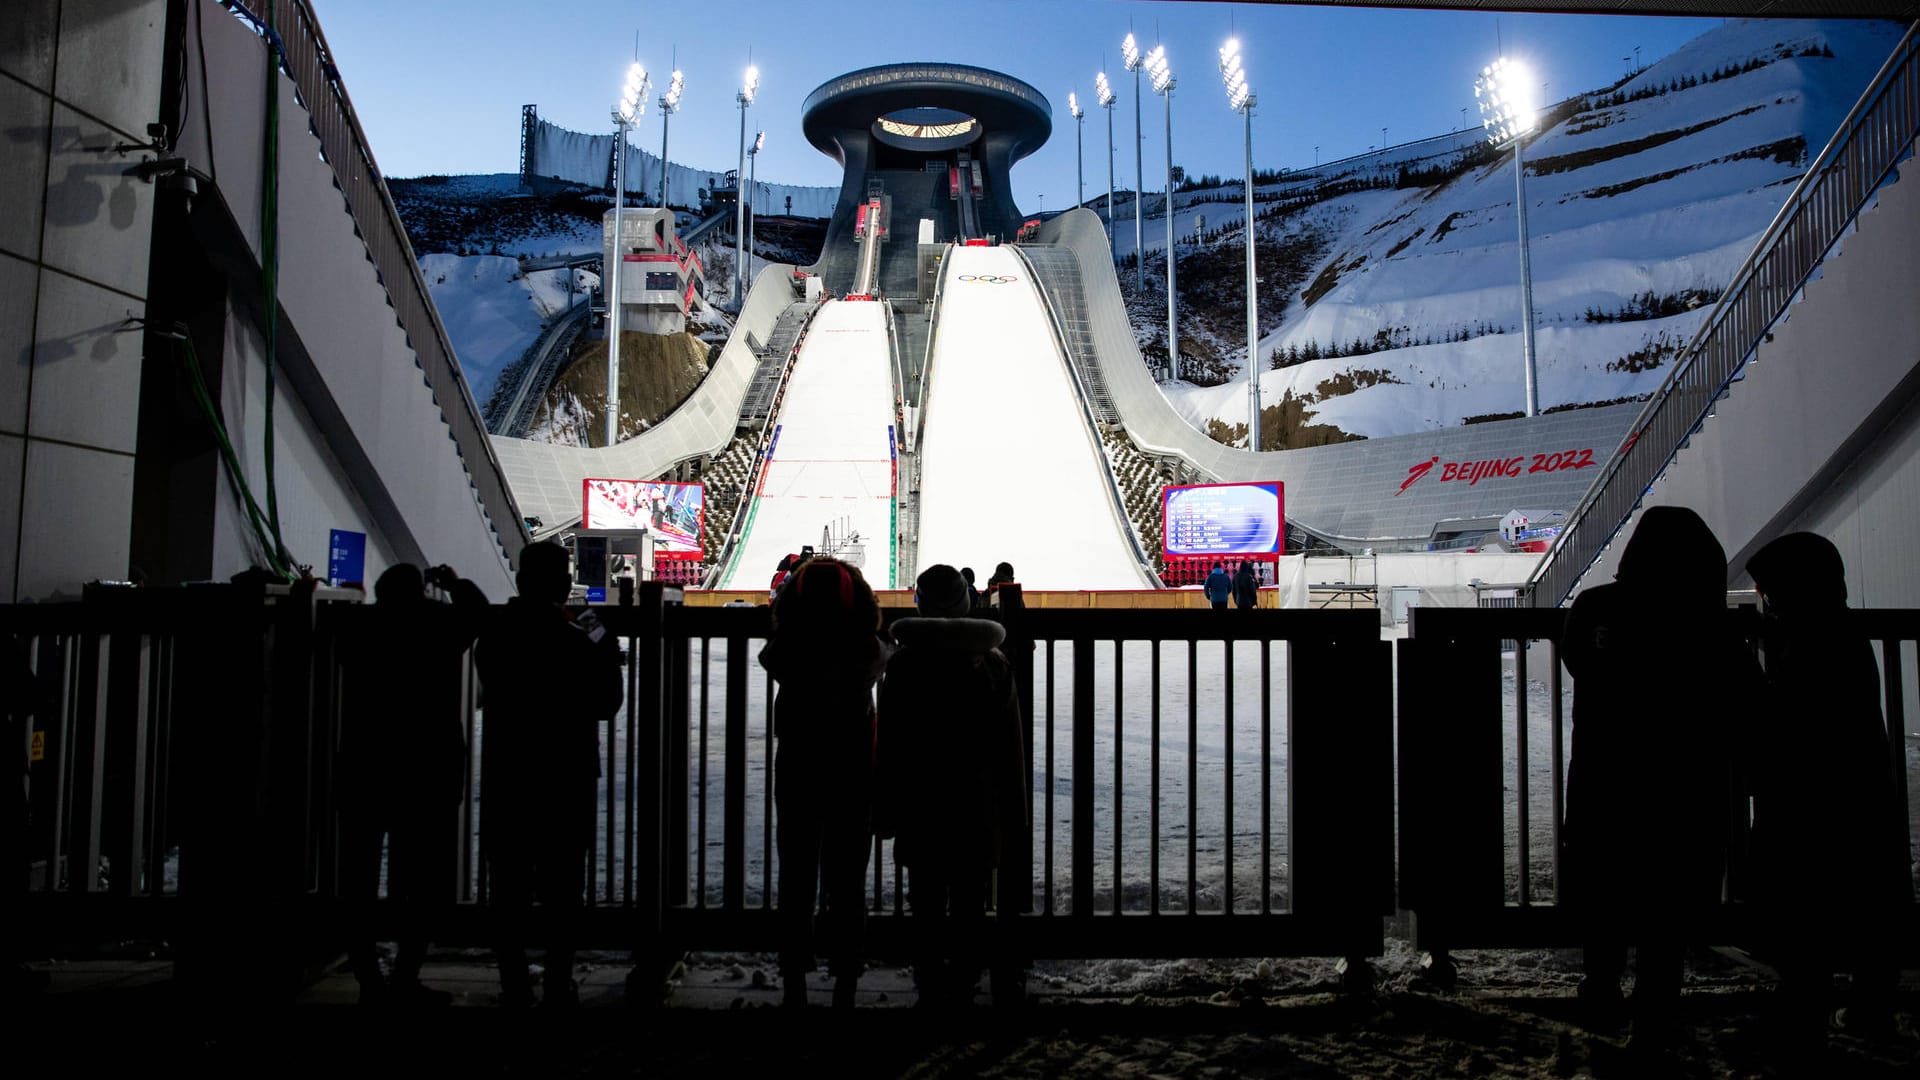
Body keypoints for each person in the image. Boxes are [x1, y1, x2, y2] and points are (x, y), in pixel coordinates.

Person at [1559, 506, 1754, 1050]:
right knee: (1669, 906)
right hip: (1686, 791)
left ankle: (1600, 988)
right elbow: (1745, 698)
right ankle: (1656, 1008)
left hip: (1605, 782)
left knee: (1604, 891)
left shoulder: (1597, 606)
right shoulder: (1709, 623)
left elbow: (1579, 661)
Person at [1744, 532, 1906, 1044]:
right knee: (1865, 901)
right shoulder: (1841, 635)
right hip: (1859, 796)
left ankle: (1806, 1005)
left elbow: (1784, 718)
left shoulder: (1808, 644)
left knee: (1806, 901)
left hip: (1807, 804)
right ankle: (1868, 1005)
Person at [475, 541, 622, 1007]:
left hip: (509, 768)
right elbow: (608, 702)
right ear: (562, 582)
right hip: (568, 768)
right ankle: (560, 976)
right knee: (563, 881)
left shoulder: (497, 631)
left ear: (520, 579)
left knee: (509, 880)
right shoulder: (584, 630)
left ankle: (513, 977)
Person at [876, 565, 1026, 1008]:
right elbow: (1009, 746)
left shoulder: (904, 666)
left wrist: (884, 804)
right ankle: (963, 978)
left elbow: (890, 743)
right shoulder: (992, 663)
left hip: (921, 801)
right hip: (976, 803)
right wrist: (1011, 811)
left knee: (924, 897)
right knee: (969, 897)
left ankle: (929, 980)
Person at [339, 563, 488, 1006]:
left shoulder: (359, 627)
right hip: (427, 768)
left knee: (359, 879)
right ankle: (406, 973)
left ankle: (368, 976)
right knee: (419, 881)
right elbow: (477, 611)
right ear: (421, 592)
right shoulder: (437, 625)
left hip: (367, 765)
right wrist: (453, 581)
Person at [758, 556, 889, 1008]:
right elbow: (876, 655)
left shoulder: (790, 649)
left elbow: (770, 656)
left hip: (798, 765)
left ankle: (795, 975)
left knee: (796, 872)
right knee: (848, 875)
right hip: (852, 769)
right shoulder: (865, 650)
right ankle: (846, 976)